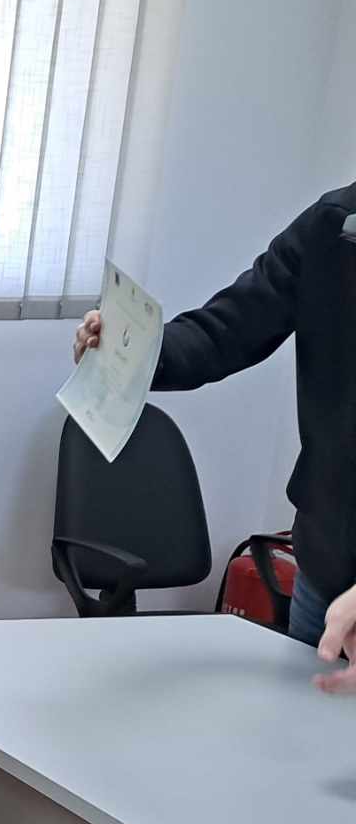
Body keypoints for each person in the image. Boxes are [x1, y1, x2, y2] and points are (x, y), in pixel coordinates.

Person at [71, 184, 356, 650]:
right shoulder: (333, 223)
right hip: (325, 570)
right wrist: (133, 350)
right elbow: (226, 328)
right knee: (302, 700)